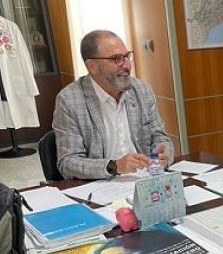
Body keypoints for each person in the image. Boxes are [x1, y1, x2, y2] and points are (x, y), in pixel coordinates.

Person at [53, 30, 174, 179]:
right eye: (116, 59)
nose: (126, 65)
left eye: (126, 56)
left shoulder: (141, 90)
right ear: (92, 66)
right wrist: (114, 166)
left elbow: (161, 138)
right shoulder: (70, 100)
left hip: (145, 181)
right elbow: (68, 163)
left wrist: (163, 155)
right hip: (100, 187)